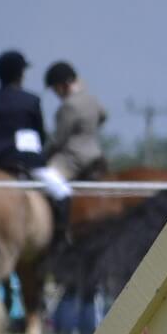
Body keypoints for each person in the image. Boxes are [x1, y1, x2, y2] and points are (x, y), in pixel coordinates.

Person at [32, 61, 107, 244]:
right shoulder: (91, 99)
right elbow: (104, 116)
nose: (55, 93)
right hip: (96, 154)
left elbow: (58, 140)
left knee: (41, 182)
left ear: (62, 85)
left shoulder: (67, 107)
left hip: (73, 159)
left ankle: (59, 229)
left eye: (55, 89)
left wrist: (40, 158)